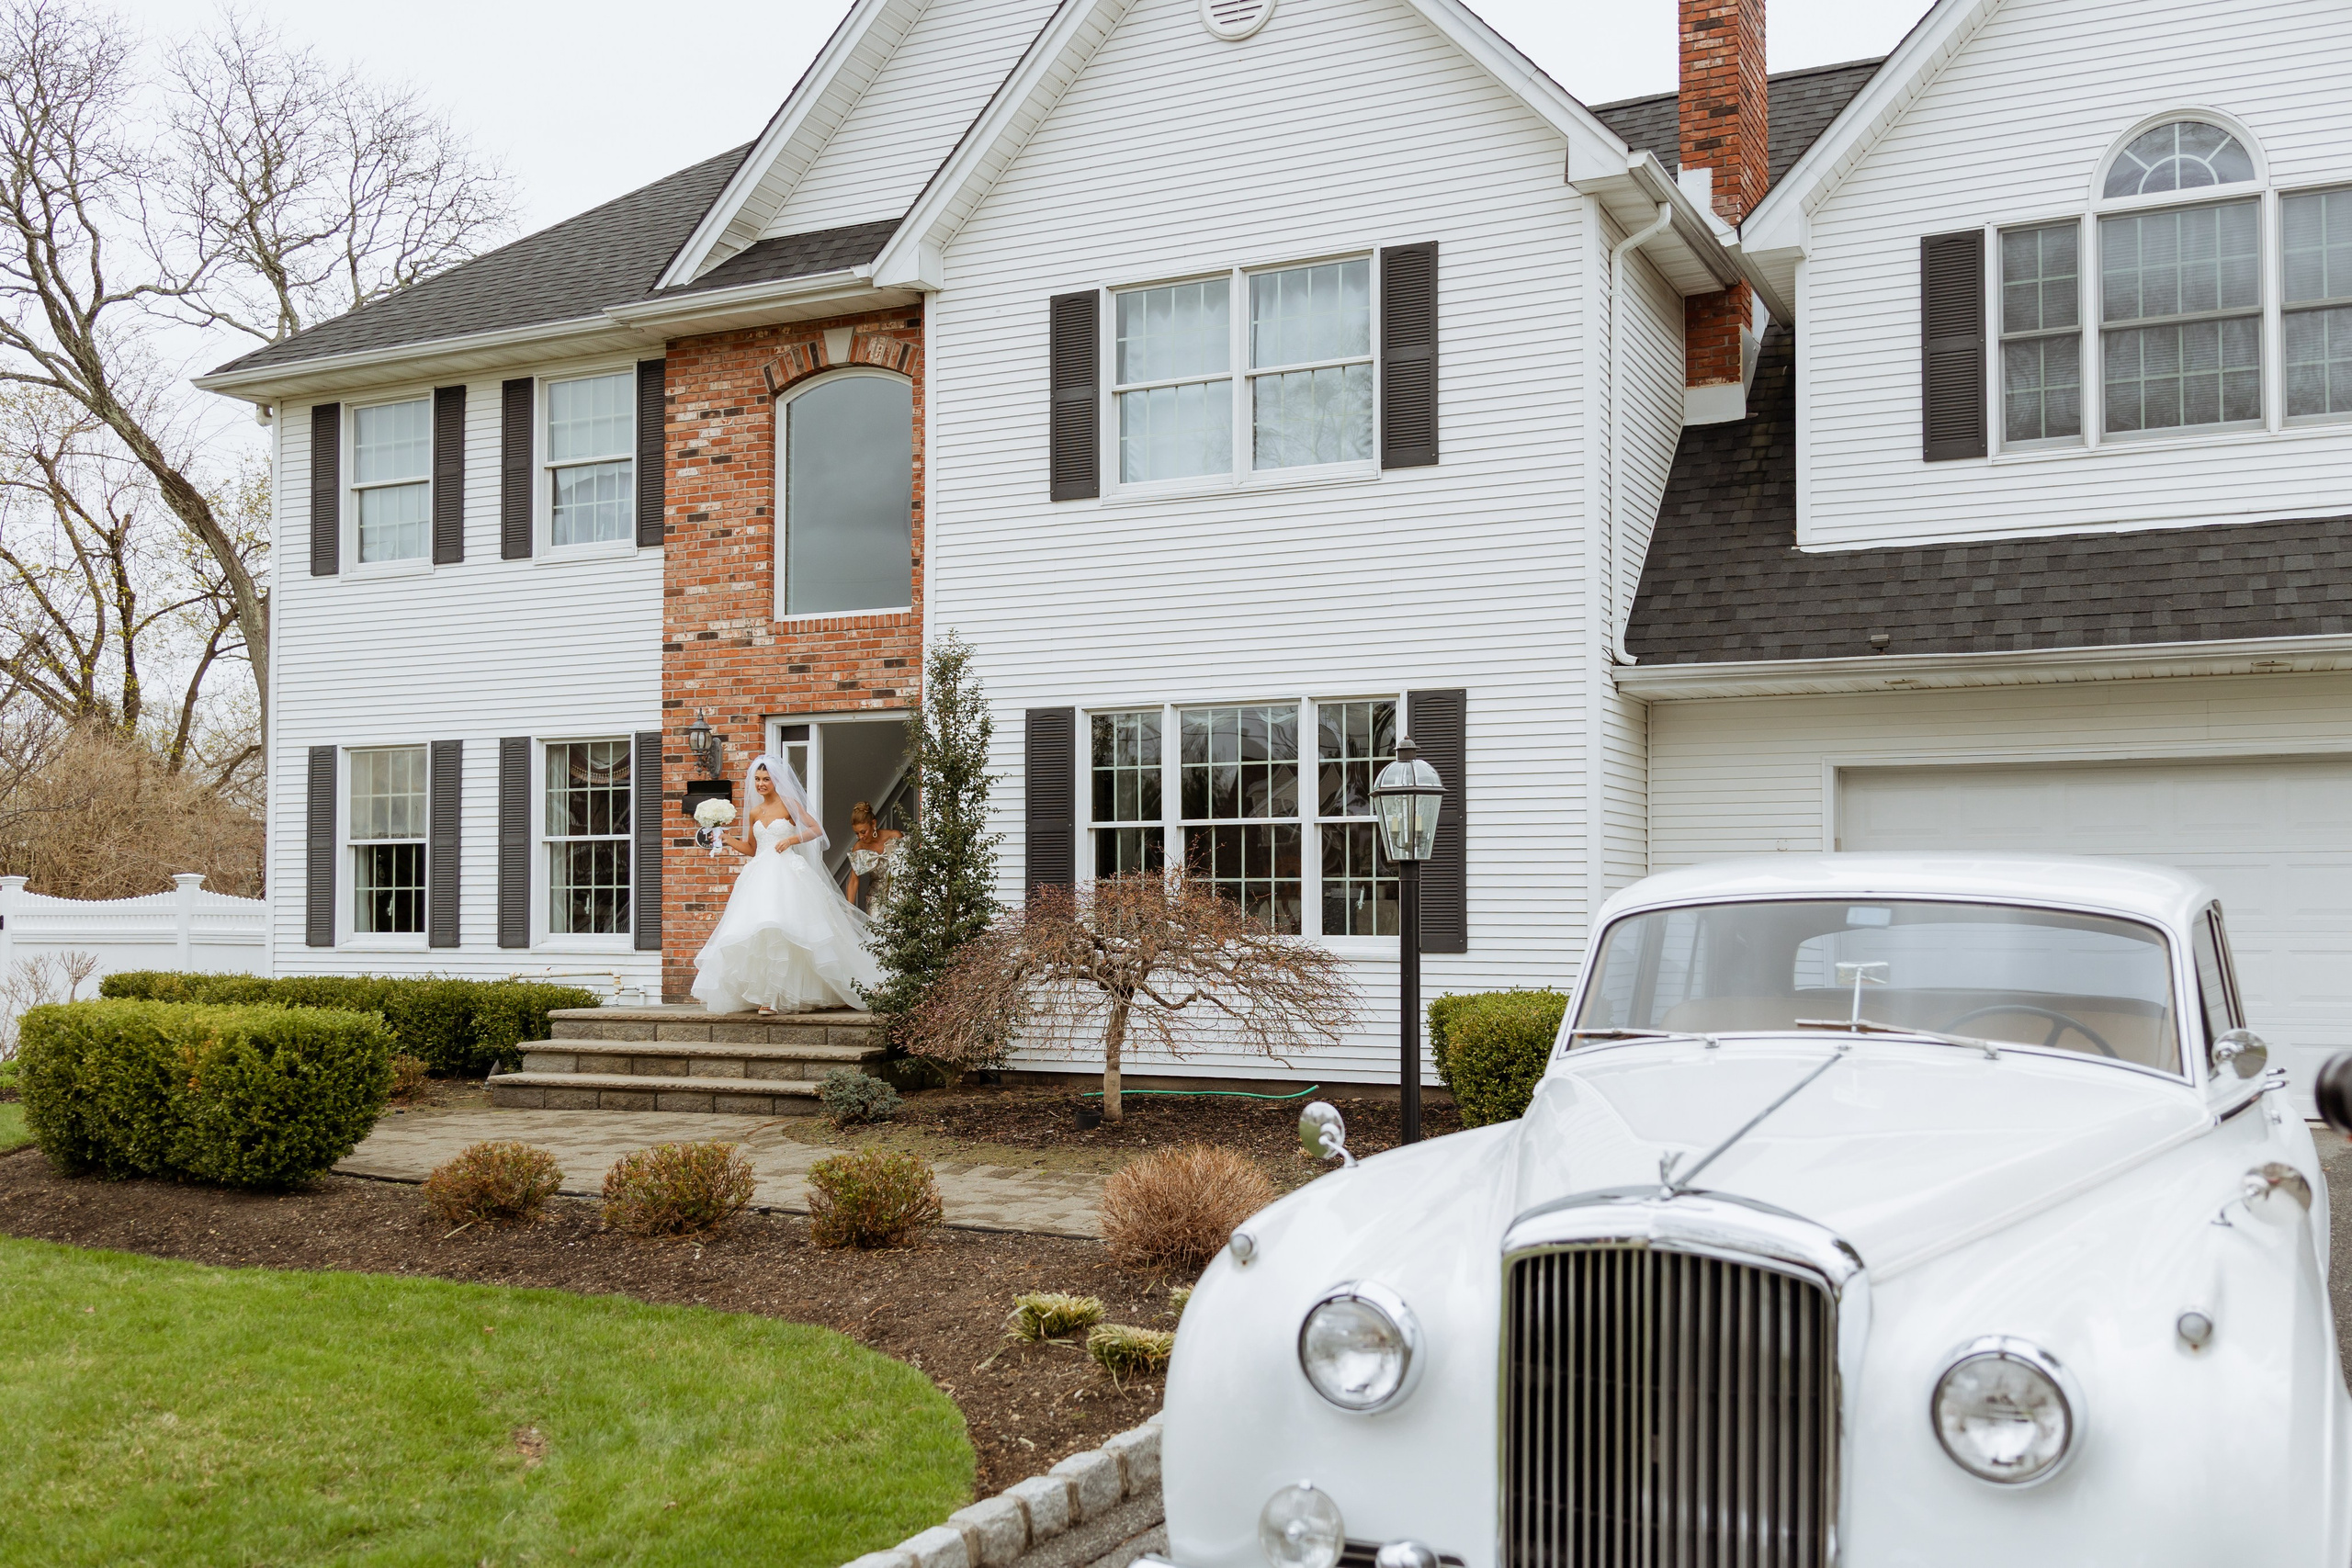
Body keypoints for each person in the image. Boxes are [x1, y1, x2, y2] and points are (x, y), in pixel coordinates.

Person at [690, 754, 885, 1015]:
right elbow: (751, 848)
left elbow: (816, 829)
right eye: (758, 780)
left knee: (787, 929)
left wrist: (792, 841)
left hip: (787, 874)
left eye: (766, 779)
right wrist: (726, 839)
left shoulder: (789, 804)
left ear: (776, 781)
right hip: (759, 876)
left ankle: (777, 997)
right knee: (761, 932)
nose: (761, 784)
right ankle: (765, 995)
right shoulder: (755, 812)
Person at [843, 800, 906, 913]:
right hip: (875, 900)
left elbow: (909, 867)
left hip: (900, 896)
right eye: (857, 833)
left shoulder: (895, 837)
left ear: (873, 824)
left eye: (863, 832)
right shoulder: (859, 848)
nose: (861, 836)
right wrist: (849, 911)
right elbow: (853, 881)